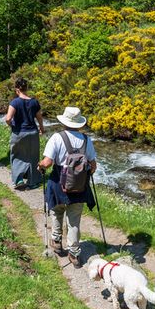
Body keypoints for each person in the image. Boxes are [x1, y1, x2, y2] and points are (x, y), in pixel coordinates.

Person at [38, 107, 97, 268]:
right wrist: (82, 174)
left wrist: (40, 165)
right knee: (74, 221)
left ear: (64, 121)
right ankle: (74, 254)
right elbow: (93, 166)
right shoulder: (86, 140)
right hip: (79, 188)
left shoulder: (57, 138)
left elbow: (48, 162)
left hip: (58, 183)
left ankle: (56, 241)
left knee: (56, 211)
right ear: (79, 123)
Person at [4, 77, 44, 190]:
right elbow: (39, 118)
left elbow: (8, 118)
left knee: (16, 155)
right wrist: (42, 128)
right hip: (33, 132)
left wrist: (12, 125)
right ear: (26, 88)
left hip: (19, 132)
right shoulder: (34, 102)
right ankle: (33, 181)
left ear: (17, 90)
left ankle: (19, 179)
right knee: (33, 157)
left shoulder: (15, 102)